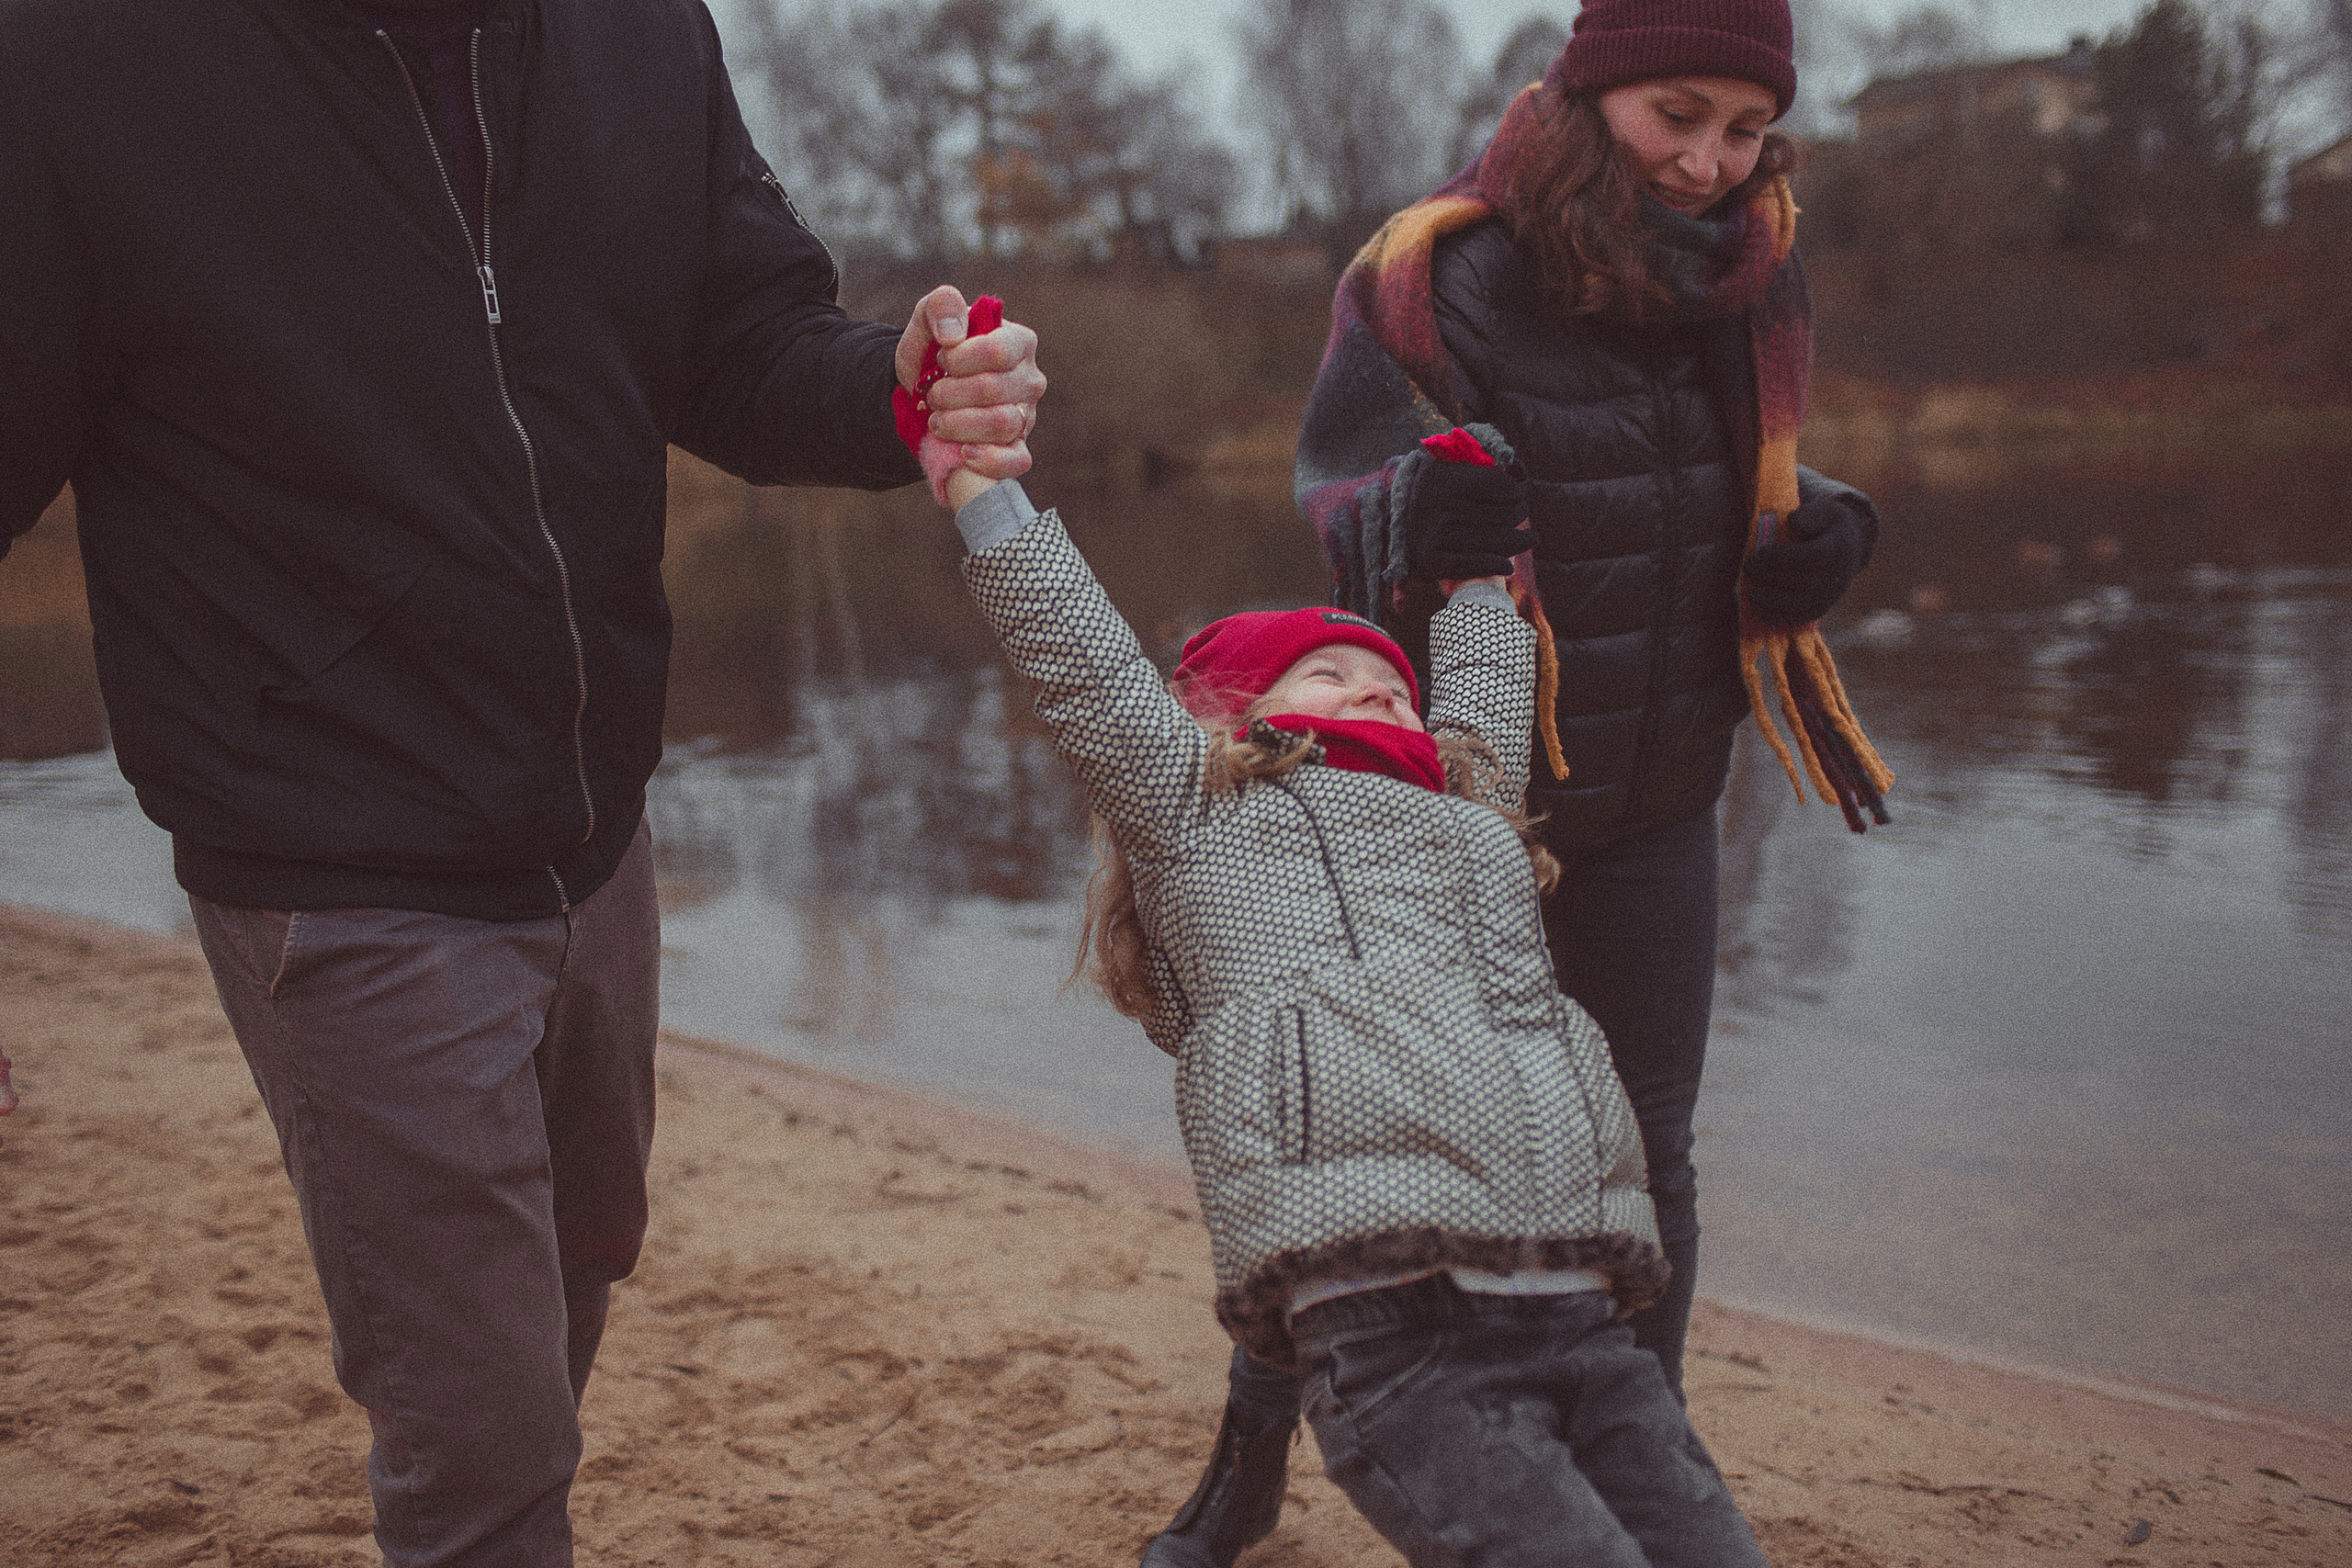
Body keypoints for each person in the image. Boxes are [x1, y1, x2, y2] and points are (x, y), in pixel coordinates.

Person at [0, 2, 1041, 1562]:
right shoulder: (77, 62)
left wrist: (895, 393)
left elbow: (741, 340)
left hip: (594, 829)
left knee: (573, 1269)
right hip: (324, 850)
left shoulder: (638, 32)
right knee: (484, 1438)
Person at [1152, 2, 1895, 1561]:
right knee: (1359, 1166)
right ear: (1588, 92)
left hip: (1657, 793)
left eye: (1745, 128)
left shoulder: (1749, 282)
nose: (1710, 161)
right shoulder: (1441, 275)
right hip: (1452, 814)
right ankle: (1247, 1473)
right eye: (1675, 114)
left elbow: (1722, 486)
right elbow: (1343, 488)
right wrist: (1417, 513)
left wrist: (1823, 531)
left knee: (1646, 1153)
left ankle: (1644, 1463)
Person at [928, 423, 1767, 1568]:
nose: (1375, 694)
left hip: (1577, 1306)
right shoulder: (1197, 812)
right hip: (1397, 1328)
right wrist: (976, 484)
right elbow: (1077, 654)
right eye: (1329, 676)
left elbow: (1485, 682)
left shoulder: (1471, 815)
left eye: (1392, 686)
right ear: (1226, 713)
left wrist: (1477, 568)